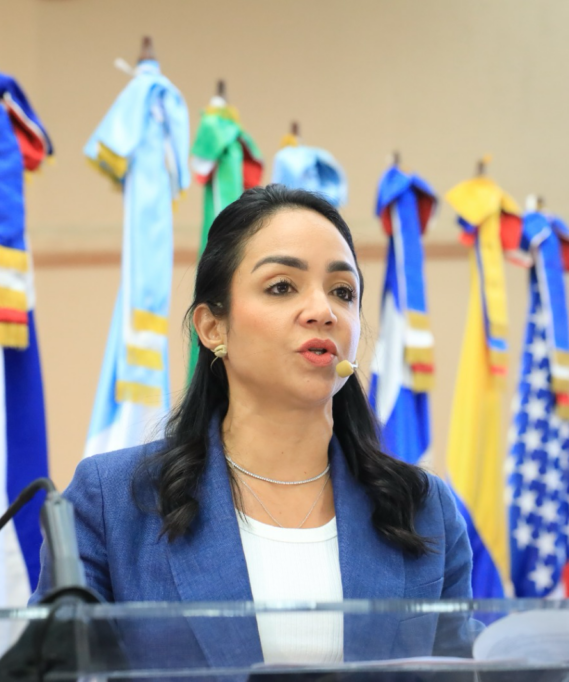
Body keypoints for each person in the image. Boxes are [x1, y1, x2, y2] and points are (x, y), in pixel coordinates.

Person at [32, 185, 475, 668]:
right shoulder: (115, 501)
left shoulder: (421, 507)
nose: (323, 311)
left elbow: (466, 670)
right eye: (282, 286)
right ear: (212, 328)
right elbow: (53, 669)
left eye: (342, 292)